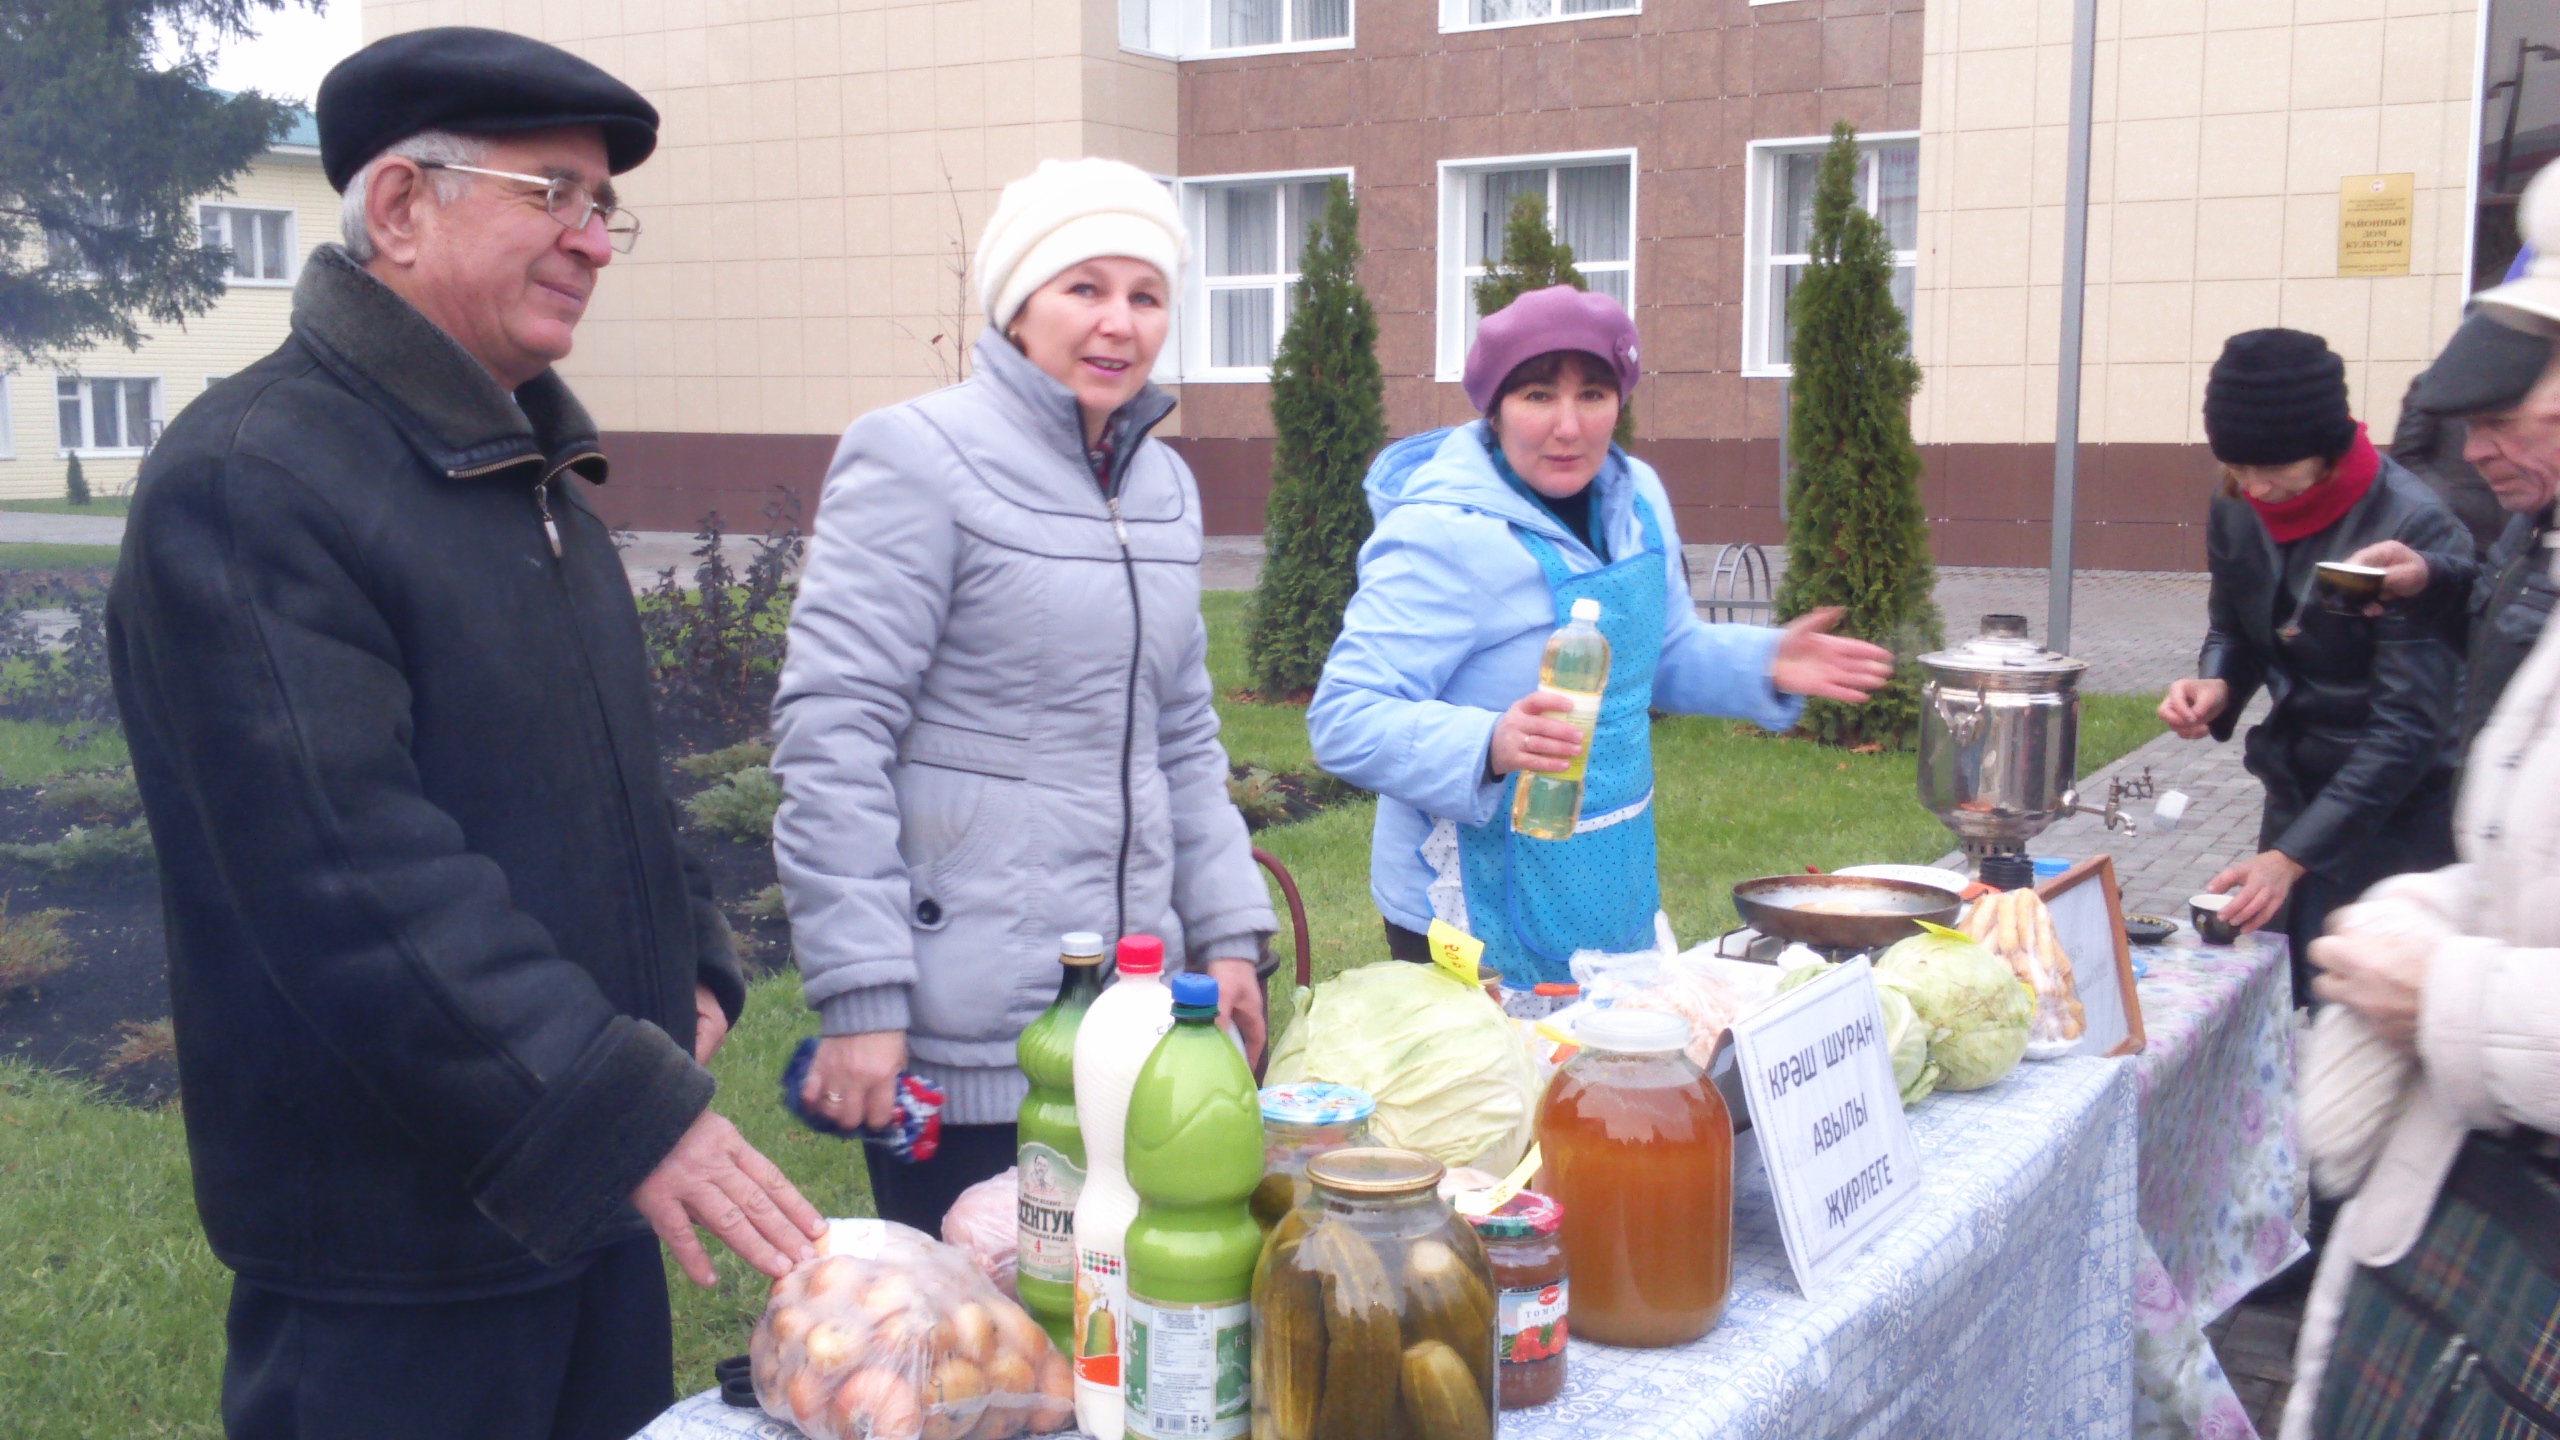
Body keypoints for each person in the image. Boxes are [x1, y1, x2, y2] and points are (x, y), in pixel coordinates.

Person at [106, 29, 822, 1440]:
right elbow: (347, 874)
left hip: (582, 1207)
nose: (594, 240)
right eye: (549, 192)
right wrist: (620, 1106)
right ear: (398, 209)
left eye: (601, 205)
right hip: (397, 1258)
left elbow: (613, 776)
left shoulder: (527, 473)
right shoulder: (255, 478)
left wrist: (689, 959)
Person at [774, 158, 1277, 1231]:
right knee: (974, 1364)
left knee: (1125, 1335)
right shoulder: (915, 454)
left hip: (1137, 1016)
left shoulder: (1162, 484)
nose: (1118, 324)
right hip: (968, 1037)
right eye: (1083, 288)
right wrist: (861, 997)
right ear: (1014, 303)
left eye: (1145, 296)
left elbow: (1182, 737)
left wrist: (1229, 936)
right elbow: (834, 730)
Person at [1305, 285, 1894, 981]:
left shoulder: (1637, 496)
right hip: (1471, 905)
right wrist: (1487, 743)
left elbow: (1660, 653)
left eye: (1592, 394)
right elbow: (1343, 719)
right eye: (1535, 396)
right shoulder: (1439, 533)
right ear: (1493, 409)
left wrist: (1764, 662)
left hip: (1607, 874)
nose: (1568, 427)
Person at [2278, 601, 2560, 1439]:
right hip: (2461, 1207)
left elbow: (2407, 727)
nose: (2477, 457)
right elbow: (2519, 875)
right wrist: (2408, 916)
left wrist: (2451, 998)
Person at [2155, 328, 2468, 997]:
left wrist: (2290, 859)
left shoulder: (2413, 526)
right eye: (2237, 468)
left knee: (2360, 1012)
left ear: (2325, 451)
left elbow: (2408, 730)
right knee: (2281, 995)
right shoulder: (2236, 503)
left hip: (2398, 819)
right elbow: (2232, 625)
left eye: (2273, 471)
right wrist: (2216, 683)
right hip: (2295, 796)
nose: (2255, 488)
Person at [2349, 310, 2560, 755]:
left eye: (2499, 422)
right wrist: (2428, 580)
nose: (2472, 452)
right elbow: (2493, 644)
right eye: (2470, 426)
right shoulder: (2535, 524)